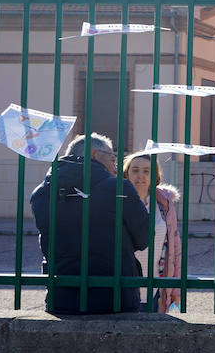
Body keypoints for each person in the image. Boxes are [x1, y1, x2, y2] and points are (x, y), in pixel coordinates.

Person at [30, 133, 148, 314]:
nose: (115, 165)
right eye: (112, 157)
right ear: (94, 154)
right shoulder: (118, 188)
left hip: (63, 294)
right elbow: (144, 238)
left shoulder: (42, 192)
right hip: (114, 296)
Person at [123, 152, 183, 313]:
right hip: (123, 287)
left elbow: (175, 249)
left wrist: (175, 288)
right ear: (126, 174)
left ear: (154, 175)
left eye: (146, 171)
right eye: (135, 170)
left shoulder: (164, 204)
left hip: (154, 288)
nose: (140, 176)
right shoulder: (118, 201)